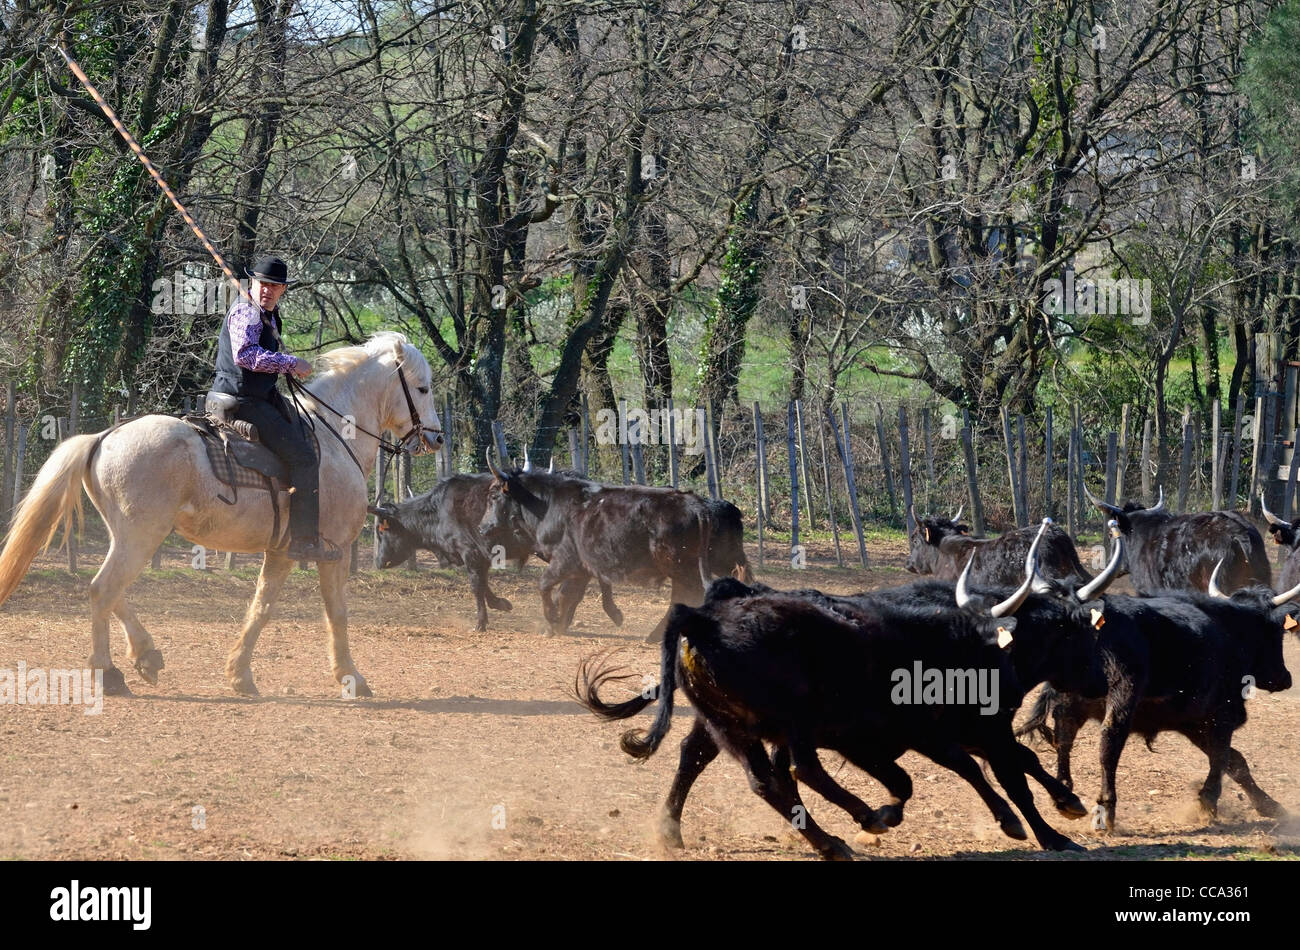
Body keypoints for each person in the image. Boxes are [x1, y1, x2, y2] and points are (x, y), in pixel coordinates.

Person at [210, 255, 341, 562]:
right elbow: (245, 355)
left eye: (274, 286)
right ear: (252, 283)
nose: (267, 290)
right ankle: (304, 541)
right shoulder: (247, 311)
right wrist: (290, 363)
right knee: (305, 458)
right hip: (243, 400)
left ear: (283, 290)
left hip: (256, 396)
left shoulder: (269, 315)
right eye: (263, 284)